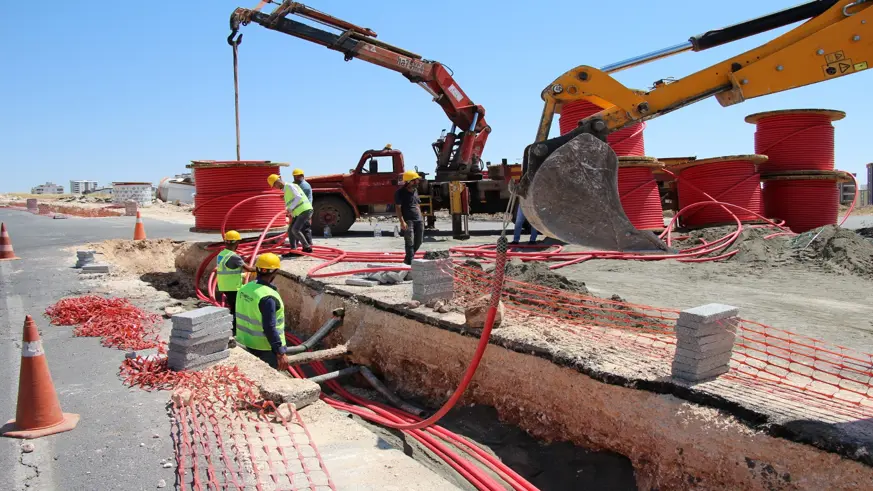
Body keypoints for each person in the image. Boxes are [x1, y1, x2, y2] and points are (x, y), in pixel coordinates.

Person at [234, 252, 291, 371]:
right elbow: (269, 327)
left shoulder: (245, 288)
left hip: (244, 342)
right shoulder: (268, 297)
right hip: (265, 348)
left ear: (257, 270)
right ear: (275, 272)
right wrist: (280, 353)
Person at [215, 230, 256, 342]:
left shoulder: (221, 254)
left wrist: (242, 275)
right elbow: (249, 268)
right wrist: (262, 268)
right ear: (236, 243)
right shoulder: (234, 257)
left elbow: (227, 270)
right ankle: (234, 332)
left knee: (234, 307)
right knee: (237, 310)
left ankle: (232, 329)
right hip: (233, 287)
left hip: (224, 285)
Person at [268, 173, 313, 256]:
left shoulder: (289, 186)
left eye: (275, 185)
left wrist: (291, 208)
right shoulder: (285, 191)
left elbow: (298, 197)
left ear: (279, 180)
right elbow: (291, 203)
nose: (275, 187)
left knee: (295, 230)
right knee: (290, 231)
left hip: (305, 210)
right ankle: (293, 250)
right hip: (299, 212)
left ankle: (307, 247)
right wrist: (290, 212)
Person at [394, 170, 424, 265]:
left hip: (419, 220)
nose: (417, 182)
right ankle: (410, 263)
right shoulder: (400, 193)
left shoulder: (415, 191)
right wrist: (402, 222)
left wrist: (421, 218)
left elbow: (417, 205)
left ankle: (407, 260)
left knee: (419, 241)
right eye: (415, 180)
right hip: (408, 220)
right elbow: (398, 208)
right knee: (409, 242)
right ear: (409, 181)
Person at [291, 168, 313, 248]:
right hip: (300, 209)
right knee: (296, 228)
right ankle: (297, 244)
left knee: (305, 227)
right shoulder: (296, 183)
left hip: (305, 209)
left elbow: (298, 197)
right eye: (294, 177)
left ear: (302, 176)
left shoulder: (304, 186)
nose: (295, 178)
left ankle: (309, 244)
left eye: (297, 177)